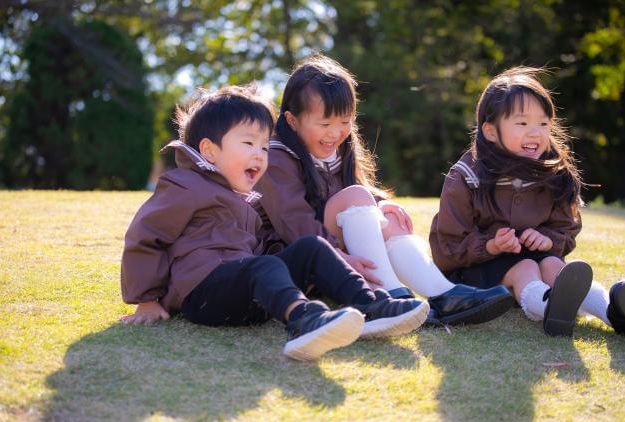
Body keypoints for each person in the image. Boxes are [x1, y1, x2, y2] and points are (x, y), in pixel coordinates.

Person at [120, 85, 429, 362]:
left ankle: (371, 305)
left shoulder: (244, 198)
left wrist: (296, 262)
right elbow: (146, 236)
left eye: (265, 147)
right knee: (263, 266)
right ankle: (303, 320)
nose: (260, 155)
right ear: (209, 151)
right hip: (202, 294)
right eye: (248, 144)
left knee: (310, 246)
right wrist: (146, 299)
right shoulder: (184, 185)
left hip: (246, 291)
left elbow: (259, 248)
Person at [254, 54, 514, 326]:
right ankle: (387, 295)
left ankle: (443, 294)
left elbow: (356, 189)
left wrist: (379, 203)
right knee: (356, 197)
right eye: (324, 124)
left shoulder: (337, 150)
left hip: (333, 255)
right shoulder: (277, 158)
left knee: (387, 216)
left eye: (345, 122)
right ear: (292, 121)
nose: (336, 133)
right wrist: (336, 254)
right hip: (295, 263)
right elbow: (294, 223)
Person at [429, 66, 625, 337]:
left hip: (533, 257)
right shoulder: (466, 177)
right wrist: (491, 245)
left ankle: (614, 313)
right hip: (474, 271)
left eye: (543, 123)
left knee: (555, 266)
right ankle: (547, 306)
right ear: (491, 132)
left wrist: (549, 240)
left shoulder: (553, 171)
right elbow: (448, 246)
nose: (535, 133)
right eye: (522, 123)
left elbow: (566, 225)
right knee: (525, 267)